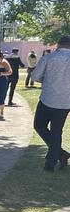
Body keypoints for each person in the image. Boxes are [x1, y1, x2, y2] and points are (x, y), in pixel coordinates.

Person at [31, 36, 70, 172]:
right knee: (56, 131)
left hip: (48, 98)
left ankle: (56, 157)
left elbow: (35, 76)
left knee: (39, 125)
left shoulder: (49, 58)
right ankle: (55, 159)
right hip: (66, 101)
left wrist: (47, 81)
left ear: (58, 45)